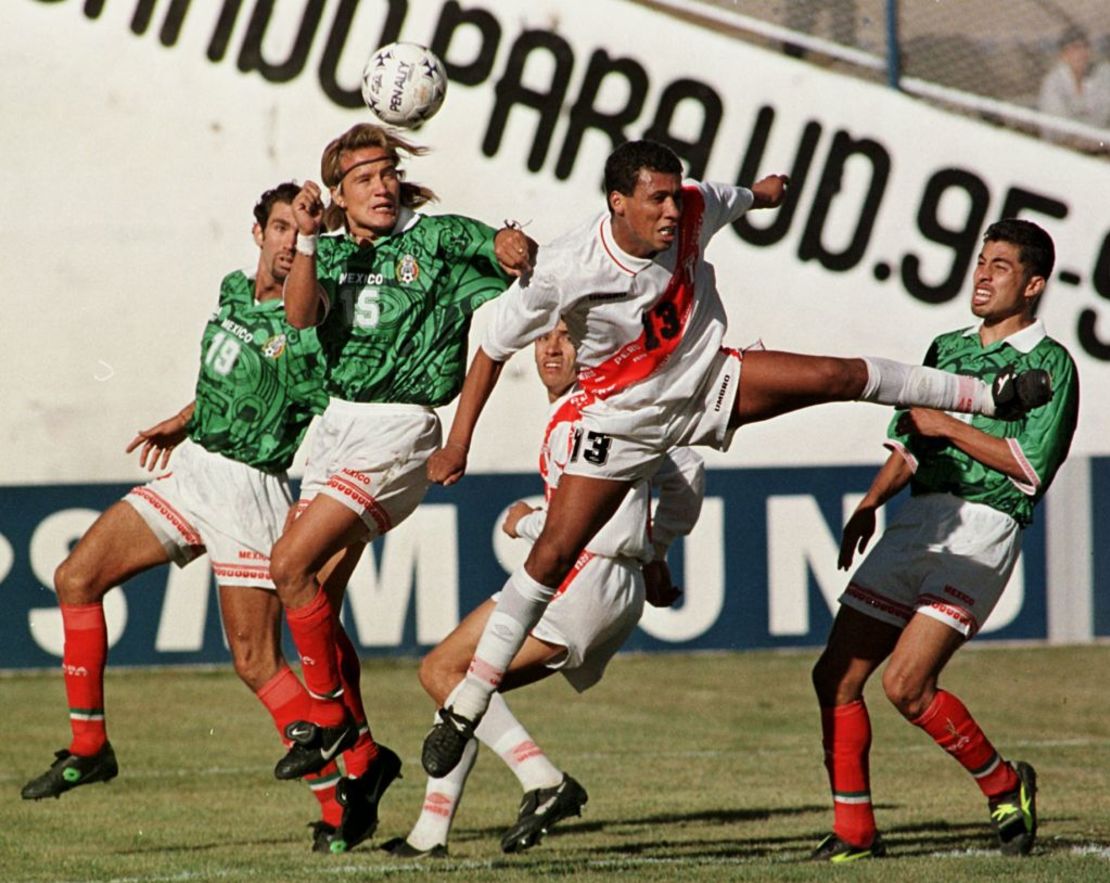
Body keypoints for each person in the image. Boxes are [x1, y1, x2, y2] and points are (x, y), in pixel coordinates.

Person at [418, 139, 1054, 779]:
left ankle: (990, 395)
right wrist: (458, 441)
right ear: (618, 203)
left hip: (706, 382)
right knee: (552, 554)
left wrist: (766, 194)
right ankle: (469, 701)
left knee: (835, 374)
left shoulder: (694, 207)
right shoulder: (564, 268)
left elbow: (738, 197)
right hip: (619, 420)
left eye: (675, 191)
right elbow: (492, 348)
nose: (672, 208)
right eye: (656, 197)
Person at [20, 183, 390, 854]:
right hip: (193, 473)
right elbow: (229, 378)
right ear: (257, 233)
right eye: (276, 227)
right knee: (75, 576)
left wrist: (317, 239)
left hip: (250, 490)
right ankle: (90, 744)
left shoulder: (312, 311)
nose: (285, 240)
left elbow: (303, 332)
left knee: (255, 662)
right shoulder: (230, 291)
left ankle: (347, 794)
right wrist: (184, 417)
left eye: (295, 231)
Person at [267, 124, 532, 787]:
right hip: (336, 426)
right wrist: (302, 237)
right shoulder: (324, 253)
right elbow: (299, 319)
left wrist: (510, 242)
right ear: (339, 193)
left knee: (288, 564)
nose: (382, 185)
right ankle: (363, 759)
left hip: (399, 428)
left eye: (387, 171)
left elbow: (507, 253)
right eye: (364, 178)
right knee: (314, 597)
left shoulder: (437, 238)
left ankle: (329, 723)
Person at [809, 218, 1079, 861]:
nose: (982, 274)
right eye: (981, 261)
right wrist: (872, 502)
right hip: (915, 523)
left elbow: (1032, 466)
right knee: (836, 677)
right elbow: (907, 443)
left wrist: (949, 426)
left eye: (1002, 266)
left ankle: (1004, 783)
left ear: (1035, 284)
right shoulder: (945, 347)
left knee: (905, 684)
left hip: (983, 529)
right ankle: (854, 834)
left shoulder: (1050, 365)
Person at [381, 321, 703, 858]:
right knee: (455, 686)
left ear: (591, 346)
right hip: (597, 579)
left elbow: (645, 492)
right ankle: (429, 834)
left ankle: (544, 781)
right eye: (544, 337)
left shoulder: (595, 411)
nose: (552, 347)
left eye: (567, 337)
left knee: (446, 673)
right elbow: (681, 472)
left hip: (587, 578)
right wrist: (655, 551)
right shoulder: (584, 408)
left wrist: (531, 523)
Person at [1037, 26, 1110, 150]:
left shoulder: (1102, 74)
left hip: (1101, 146)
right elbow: (1058, 130)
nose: (1081, 54)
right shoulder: (1054, 83)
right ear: (1064, 54)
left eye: (1085, 47)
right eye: (1075, 49)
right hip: (1064, 150)